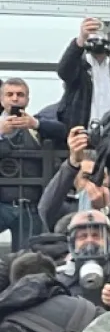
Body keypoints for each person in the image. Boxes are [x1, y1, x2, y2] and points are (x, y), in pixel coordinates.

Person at [0, 78, 66, 245]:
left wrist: (35, 124)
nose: (15, 99)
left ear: (27, 100)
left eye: (20, 95)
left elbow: (63, 131)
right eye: (10, 94)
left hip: (28, 206)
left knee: (26, 258)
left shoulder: (36, 125)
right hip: (1, 203)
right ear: (2, 99)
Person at [55, 17, 110, 131]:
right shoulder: (80, 64)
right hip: (82, 134)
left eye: (103, 34)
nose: (98, 40)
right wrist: (80, 40)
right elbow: (63, 72)